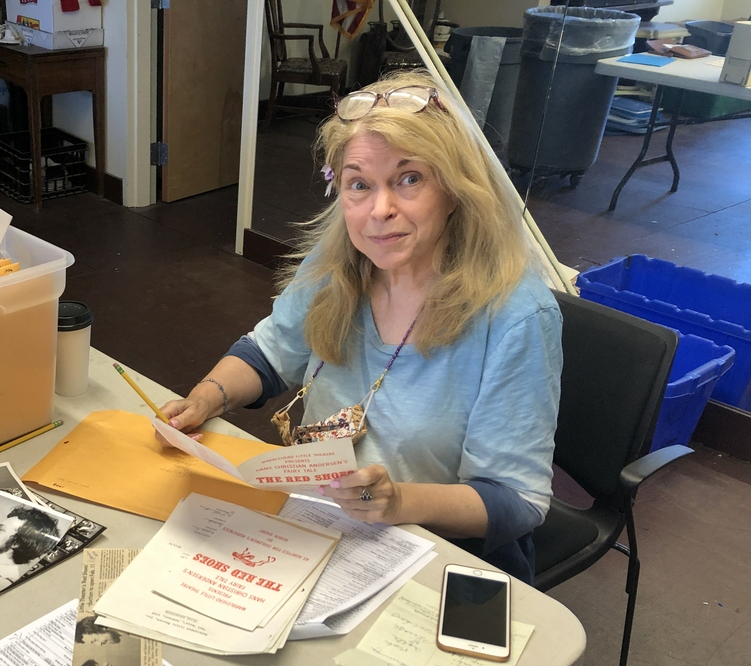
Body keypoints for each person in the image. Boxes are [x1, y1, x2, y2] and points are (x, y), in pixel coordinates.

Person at [158, 71, 562, 583]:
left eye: (409, 179)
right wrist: (207, 397)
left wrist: (397, 501)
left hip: (435, 556)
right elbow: (268, 355)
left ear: (456, 188)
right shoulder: (337, 267)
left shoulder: (515, 316)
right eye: (359, 185)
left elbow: (516, 502)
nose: (380, 210)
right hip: (322, 526)